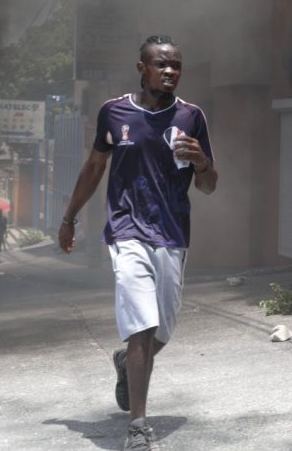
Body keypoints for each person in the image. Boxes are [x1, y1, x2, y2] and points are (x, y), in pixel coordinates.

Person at [58, 35, 217, 451]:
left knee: (162, 330)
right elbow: (95, 166)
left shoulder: (192, 117)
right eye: (161, 64)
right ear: (142, 68)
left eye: (176, 65)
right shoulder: (114, 112)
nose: (170, 71)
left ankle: (125, 365)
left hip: (173, 234)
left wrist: (201, 162)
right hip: (127, 231)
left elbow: (209, 185)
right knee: (141, 327)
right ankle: (138, 427)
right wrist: (68, 216)